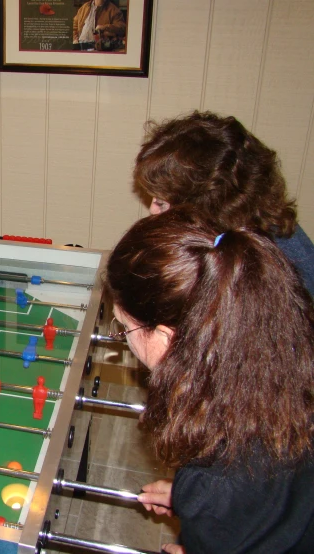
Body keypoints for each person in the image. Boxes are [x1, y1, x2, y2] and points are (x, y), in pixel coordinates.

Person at [106, 208, 314, 553]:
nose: (124, 338)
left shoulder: (215, 482)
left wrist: (205, 511)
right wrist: (194, 499)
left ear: (165, 337)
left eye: (125, 327)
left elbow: (238, 491)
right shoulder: (285, 361)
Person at [134, 110, 314, 296]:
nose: (152, 211)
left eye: (161, 203)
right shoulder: (249, 229)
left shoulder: (264, 275)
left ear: (206, 206)